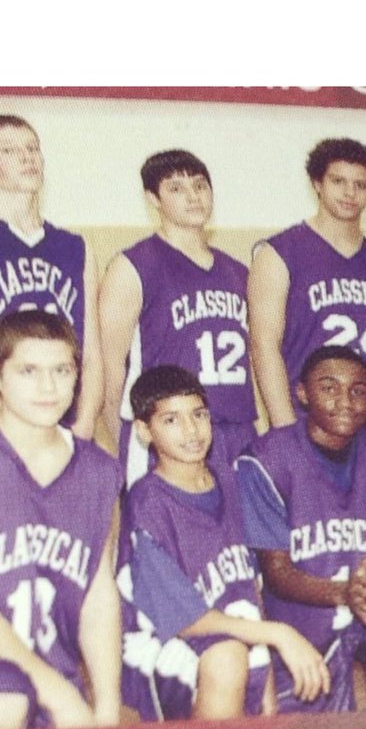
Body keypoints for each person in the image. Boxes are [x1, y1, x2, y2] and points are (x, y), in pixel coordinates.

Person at [118, 365, 331, 721]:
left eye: (198, 415)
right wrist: (278, 634)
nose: (191, 430)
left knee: (238, 664)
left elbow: (246, 589)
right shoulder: (147, 503)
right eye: (171, 420)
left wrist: (262, 674)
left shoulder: (229, 483)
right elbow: (184, 619)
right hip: (162, 646)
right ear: (144, 431)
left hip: (231, 637)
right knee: (228, 657)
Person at [235, 346, 366, 712]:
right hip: (301, 623)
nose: (345, 401)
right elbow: (277, 574)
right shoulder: (265, 460)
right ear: (303, 393)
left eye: (358, 391)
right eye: (329, 387)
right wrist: (346, 592)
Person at [0, 310, 121, 729]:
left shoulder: (99, 471)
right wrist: (54, 692)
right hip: (4, 682)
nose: (48, 387)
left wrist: (107, 709)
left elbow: (98, 592)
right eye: (28, 371)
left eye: (61, 370)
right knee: (6, 703)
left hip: (53, 677)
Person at [98, 149, 258, 486]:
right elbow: (110, 368)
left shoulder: (239, 272)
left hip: (235, 430)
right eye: (176, 188)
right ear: (152, 198)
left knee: (238, 537)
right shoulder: (132, 267)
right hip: (167, 434)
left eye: (200, 186)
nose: (193, 196)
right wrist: (127, 439)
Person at [247, 137, 366, 429]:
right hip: (311, 422)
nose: (349, 193)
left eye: (360, 185)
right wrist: (285, 428)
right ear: (317, 183)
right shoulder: (279, 254)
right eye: (338, 181)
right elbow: (264, 346)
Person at [0, 114, 103, 438]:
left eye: (33, 148)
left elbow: (91, 352)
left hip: (64, 427)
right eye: (9, 150)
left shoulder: (75, 246)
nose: (26, 158)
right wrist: (3, 429)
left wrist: (85, 423)